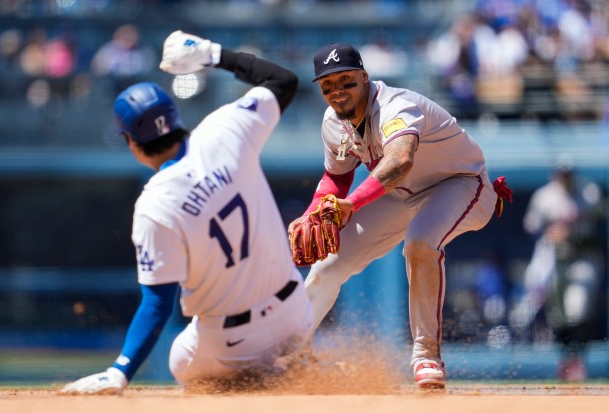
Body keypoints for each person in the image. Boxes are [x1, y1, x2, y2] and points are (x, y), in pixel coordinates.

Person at [61, 30, 314, 395]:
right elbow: (284, 80)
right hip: (296, 314)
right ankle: (290, 366)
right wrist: (211, 54)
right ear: (175, 117)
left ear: (131, 141)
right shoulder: (224, 128)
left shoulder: (154, 203)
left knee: (181, 360)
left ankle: (264, 380)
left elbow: (157, 302)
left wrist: (121, 371)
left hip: (231, 342)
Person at [288, 42, 511, 390]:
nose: (337, 91)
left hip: (461, 184)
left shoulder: (396, 105)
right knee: (328, 265)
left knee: (420, 243)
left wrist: (354, 203)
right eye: (327, 85)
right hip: (401, 194)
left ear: (364, 77)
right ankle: (291, 356)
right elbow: (337, 176)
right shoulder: (333, 122)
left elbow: (400, 160)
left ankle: (427, 357)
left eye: (346, 81)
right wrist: (314, 210)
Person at [512, 164, 603, 381]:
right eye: (562, 174)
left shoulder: (589, 192)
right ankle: (567, 359)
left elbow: (601, 219)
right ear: (555, 175)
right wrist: (550, 232)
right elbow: (531, 228)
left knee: (578, 308)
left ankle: (577, 359)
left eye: (569, 173)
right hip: (554, 259)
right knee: (558, 315)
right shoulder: (544, 196)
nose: (566, 178)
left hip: (583, 257)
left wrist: (577, 235)